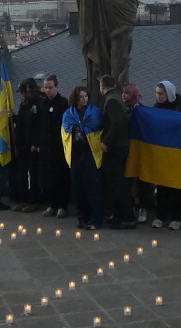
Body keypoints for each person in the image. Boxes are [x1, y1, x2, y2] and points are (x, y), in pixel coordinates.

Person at [64, 85, 104, 230]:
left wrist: (84, 128)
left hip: (90, 153)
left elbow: (98, 127)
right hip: (75, 153)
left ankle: (96, 219)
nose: (84, 99)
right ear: (75, 98)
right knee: (78, 187)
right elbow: (65, 128)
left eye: (86, 96)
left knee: (93, 186)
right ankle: (82, 218)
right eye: (81, 97)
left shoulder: (94, 112)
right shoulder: (69, 114)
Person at [99, 75, 136, 229]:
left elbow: (117, 123)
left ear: (102, 86)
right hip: (121, 146)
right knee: (115, 183)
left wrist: (106, 141)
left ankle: (128, 217)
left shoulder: (111, 101)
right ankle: (118, 214)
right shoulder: (116, 97)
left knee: (118, 183)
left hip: (116, 148)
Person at [33, 75, 71, 218]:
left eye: (50, 87)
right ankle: (52, 204)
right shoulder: (42, 103)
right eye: (45, 88)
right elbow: (38, 125)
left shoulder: (63, 103)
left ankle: (62, 206)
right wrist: (37, 143)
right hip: (45, 146)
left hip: (59, 146)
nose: (47, 90)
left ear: (56, 87)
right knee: (48, 177)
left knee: (60, 176)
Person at [151, 81, 181, 230]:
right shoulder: (155, 108)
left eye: (161, 93)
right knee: (161, 186)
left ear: (168, 94)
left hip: (176, 152)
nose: (158, 96)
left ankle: (176, 218)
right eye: (156, 93)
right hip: (161, 152)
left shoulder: (179, 108)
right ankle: (161, 216)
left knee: (175, 187)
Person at [123, 83, 151, 223]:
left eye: (126, 93)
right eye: (123, 93)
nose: (123, 96)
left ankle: (142, 208)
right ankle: (130, 208)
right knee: (128, 181)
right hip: (127, 149)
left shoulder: (142, 110)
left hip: (140, 150)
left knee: (141, 182)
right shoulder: (122, 109)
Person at [12, 79, 41, 211]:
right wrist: (14, 117)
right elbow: (22, 121)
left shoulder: (39, 102)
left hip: (32, 144)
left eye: (23, 92)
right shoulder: (24, 104)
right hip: (22, 143)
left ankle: (34, 201)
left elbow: (39, 125)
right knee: (21, 173)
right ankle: (23, 199)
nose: (22, 95)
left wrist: (36, 142)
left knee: (33, 174)